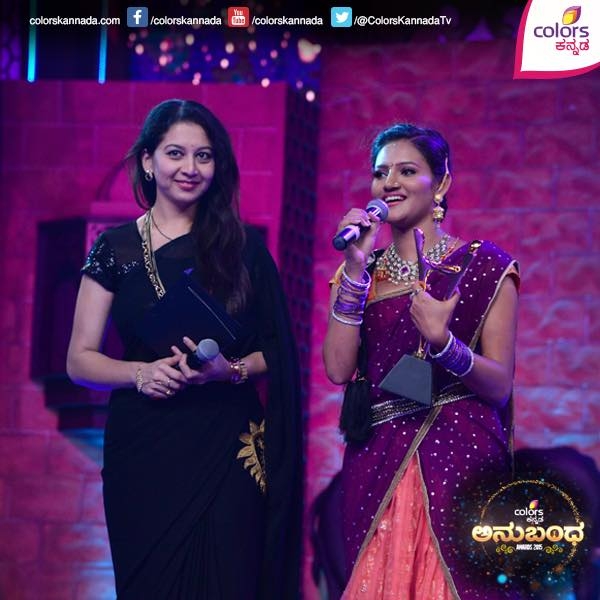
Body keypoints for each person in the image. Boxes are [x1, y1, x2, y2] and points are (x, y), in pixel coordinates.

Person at [66, 99, 303, 600]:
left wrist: (227, 370)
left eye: (204, 156)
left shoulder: (244, 249)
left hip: (227, 442)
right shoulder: (114, 248)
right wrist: (140, 373)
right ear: (148, 161)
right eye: (176, 153)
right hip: (144, 448)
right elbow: (79, 359)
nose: (190, 168)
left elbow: (278, 353)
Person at [323, 123, 520, 599]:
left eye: (407, 171)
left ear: (442, 183)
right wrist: (354, 271)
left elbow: (499, 386)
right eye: (380, 173)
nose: (389, 183)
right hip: (376, 464)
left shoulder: (484, 267)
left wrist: (443, 343)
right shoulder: (360, 273)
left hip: (460, 457)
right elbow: (337, 370)